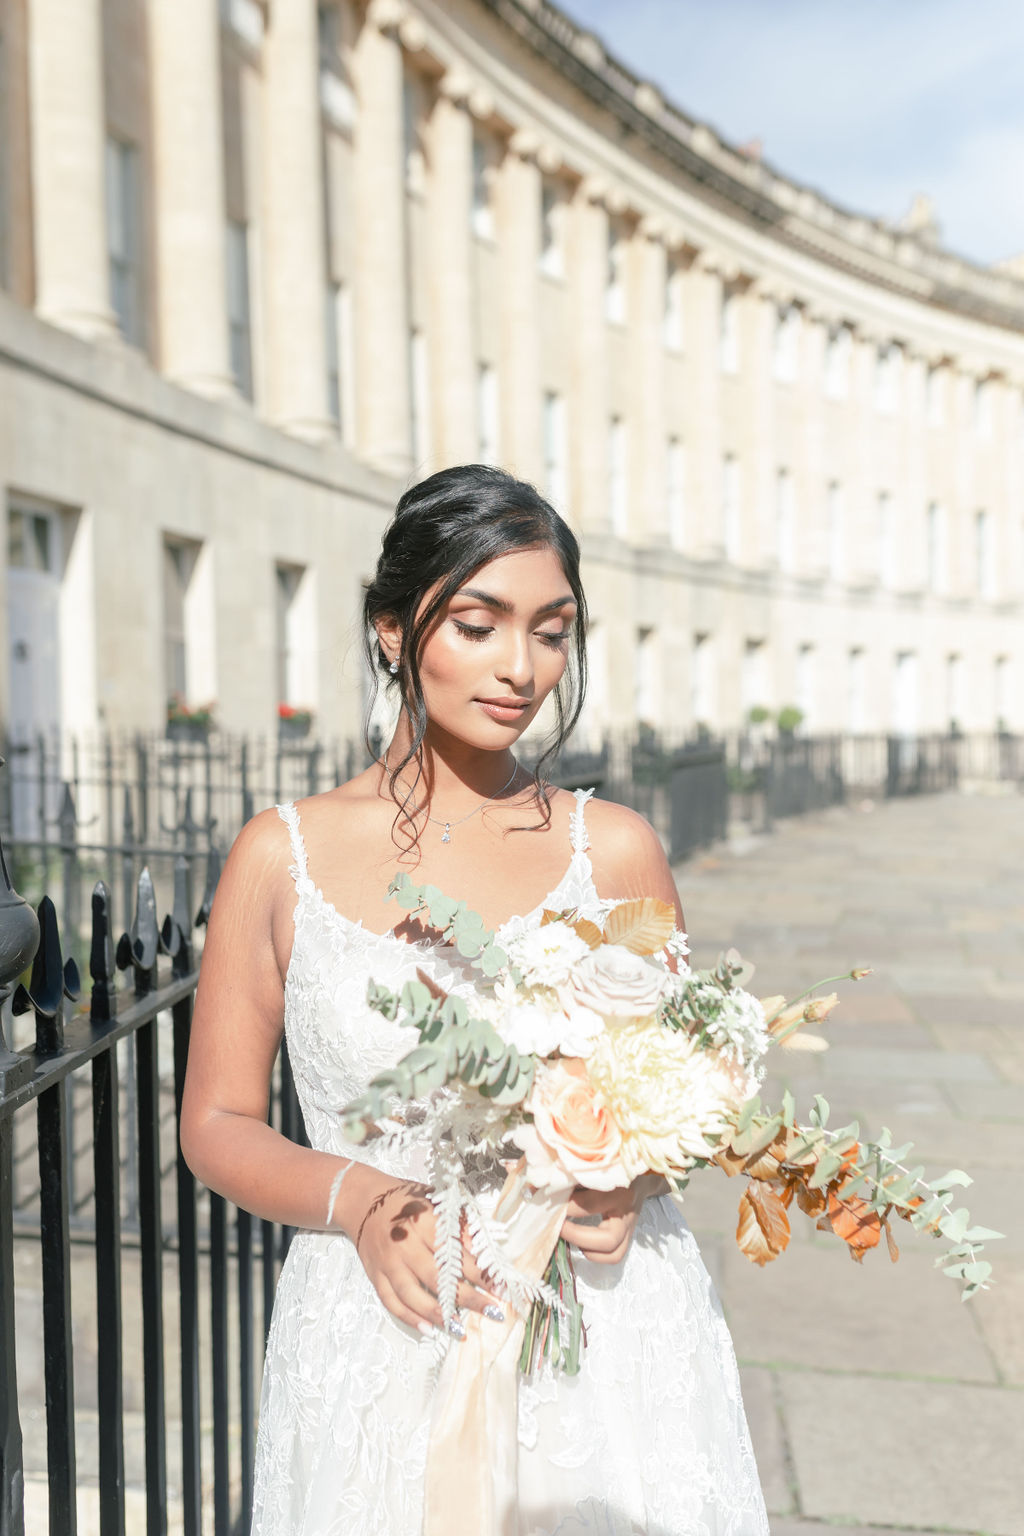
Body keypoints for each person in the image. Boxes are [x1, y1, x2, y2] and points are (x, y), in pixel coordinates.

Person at [181, 465, 769, 1535]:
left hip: (602, 1326)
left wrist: (633, 1176)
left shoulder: (617, 848)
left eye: (551, 631)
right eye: (479, 622)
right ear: (392, 631)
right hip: (378, 1327)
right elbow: (215, 1124)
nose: (522, 667)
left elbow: (686, 1084)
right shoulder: (281, 856)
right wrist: (360, 1201)